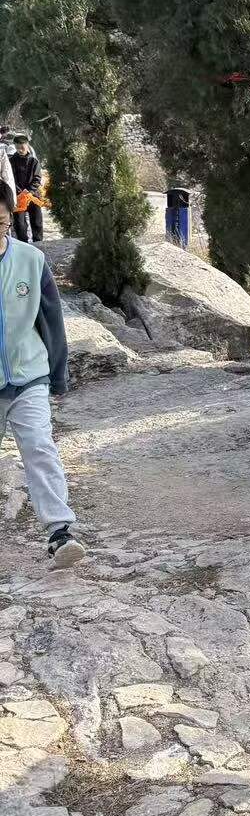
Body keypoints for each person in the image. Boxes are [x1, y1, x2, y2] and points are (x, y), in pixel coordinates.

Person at [0, 191, 85, 567]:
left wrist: (57, 375)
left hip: (27, 374)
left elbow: (51, 320)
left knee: (39, 447)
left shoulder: (31, 260)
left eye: (0, 223)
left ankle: (59, 532)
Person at [10, 135, 44, 244]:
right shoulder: (11, 161)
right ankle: (23, 244)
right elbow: (10, 178)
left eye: (22, 147)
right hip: (18, 196)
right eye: (17, 147)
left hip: (33, 196)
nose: (20, 150)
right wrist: (20, 192)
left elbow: (37, 179)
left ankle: (38, 244)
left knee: (37, 222)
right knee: (20, 224)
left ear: (27, 145)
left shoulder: (34, 162)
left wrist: (29, 191)